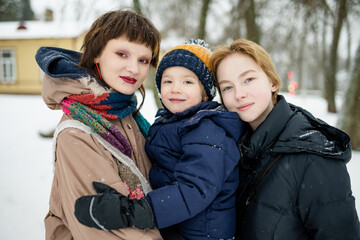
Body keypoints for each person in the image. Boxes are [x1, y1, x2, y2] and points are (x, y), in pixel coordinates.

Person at [74, 39, 244, 240]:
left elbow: (195, 188)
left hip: (201, 234)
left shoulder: (207, 130)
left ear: (206, 93)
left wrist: (135, 211)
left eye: (187, 82)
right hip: (178, 224)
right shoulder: (173, 123)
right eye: (167, 81)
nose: (175, 88)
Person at [209, 39, 360, 239]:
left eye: (248, 80)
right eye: (227, 87)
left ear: (273, 82)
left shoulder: (313, 158)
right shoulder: (232, 148)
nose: (239, 94)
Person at [35, 10, 164, 240]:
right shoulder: (77, 133)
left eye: (143, 60)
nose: (134, 69)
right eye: (122, 54)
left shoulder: (126, 112)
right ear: (96, 55)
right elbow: (108, 230)